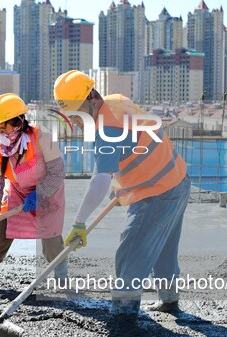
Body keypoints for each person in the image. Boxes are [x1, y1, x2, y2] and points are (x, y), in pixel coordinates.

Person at [53, 70, 191, 316]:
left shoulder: (106, 129)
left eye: (76, 112)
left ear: (92, 99)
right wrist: (120, 188)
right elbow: (133, 147)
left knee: (130, 254)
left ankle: (124, 319)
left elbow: (100, 179)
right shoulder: (116, 101)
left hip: (156, 192)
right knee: (162, 249)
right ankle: (169, 302)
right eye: (69, 114)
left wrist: (79, 222)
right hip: (177, 180)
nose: (73, 119)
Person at [0, 93, 67, 295]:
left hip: (47, 193)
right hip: (16, 193)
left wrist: (39, 195)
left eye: (3, 127)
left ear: (17, 123)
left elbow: (58, 172)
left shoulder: (41, 137)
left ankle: (63, 283)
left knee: (52, 245)